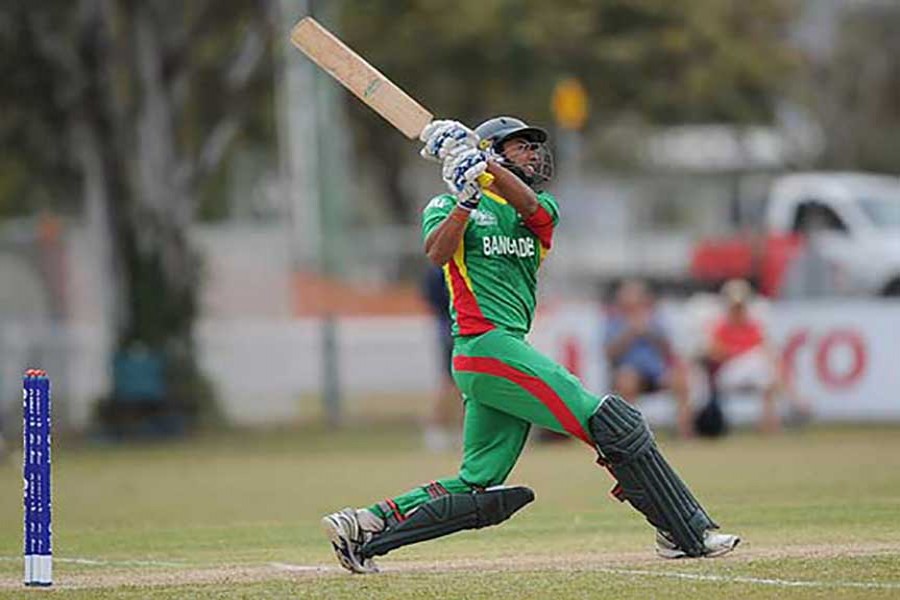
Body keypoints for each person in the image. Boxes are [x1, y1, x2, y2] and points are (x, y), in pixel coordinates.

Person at [321, 117, 740, 574]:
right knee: (612, 422)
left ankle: (364, 526)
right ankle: (684, 531)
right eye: (521, 146)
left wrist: (483, 167)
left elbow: (531, 207)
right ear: (494, 150)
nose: (534, 154)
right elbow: (437, 253)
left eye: (533, 147)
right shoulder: (445, 204)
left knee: (478, 482)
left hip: (498, 353)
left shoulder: (539, 209)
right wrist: (466, 201)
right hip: (485, 346)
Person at [700, 279, 809, 434]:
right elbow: (713, 353)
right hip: (728, 374)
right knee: (761, 361)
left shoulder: (753, 326)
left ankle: (769, 423)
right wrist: (737, 353)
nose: (738, 310)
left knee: (766, 373)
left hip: (753, 370)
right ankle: (793, 403)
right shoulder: (720, 326)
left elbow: (768, 351)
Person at [604, 280, 694, 438]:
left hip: (656, 372)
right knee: (627, 381)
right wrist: (630, 333)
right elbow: (609, 354)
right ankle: (629, 433)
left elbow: (668, 350)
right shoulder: (614, 322)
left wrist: (648, 332)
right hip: (631, 372)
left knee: (680, 379)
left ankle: (685, 431)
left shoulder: (655, 320)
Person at [421, 265, 462, 451]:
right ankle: (437, 428)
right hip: (453, 329)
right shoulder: (442, 269)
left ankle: (457, 429)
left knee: (459, 385)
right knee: (450, 383)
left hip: (455, 328)